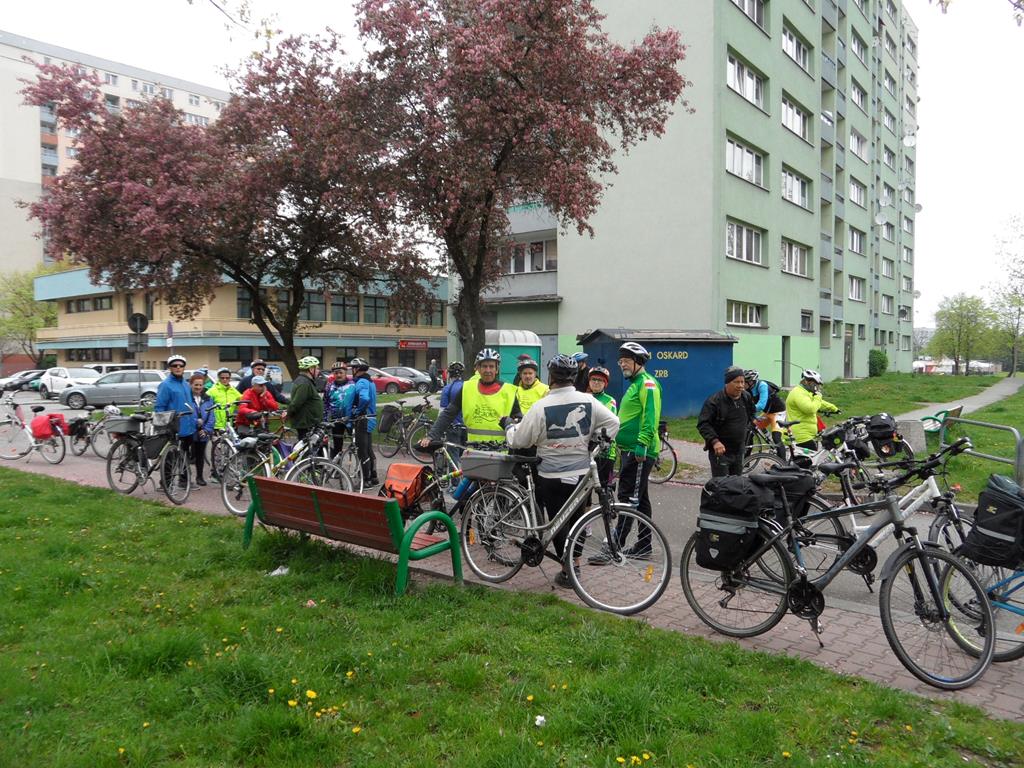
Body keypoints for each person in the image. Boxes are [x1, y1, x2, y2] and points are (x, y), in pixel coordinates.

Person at [505, 355, 619, 588]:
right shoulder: (588, 400)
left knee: (557, 523)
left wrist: (508, 426)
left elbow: (519, 440)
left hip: (551, 475)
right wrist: (595, 443)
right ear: (574, 377)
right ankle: (574, 564)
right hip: (581, 473)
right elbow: (613, 423)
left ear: (550, 377)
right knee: (578, 519)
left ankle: (568, 570)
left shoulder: (541, 405)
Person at [589, 342, 660, 563]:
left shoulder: (647, 384)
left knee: (628, 499)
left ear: (638, 362)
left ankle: (613, 547)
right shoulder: (635, 383)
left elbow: (651, 415)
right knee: (641, 500)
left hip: (639, 452)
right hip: (629, 450)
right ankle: (644, 545)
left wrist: (642, 442)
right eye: (620, 361)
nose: (622, 365)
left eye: (626, 361)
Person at [423, 348, 521, 447]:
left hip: (500, 451)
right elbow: (448, 414)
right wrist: (431, 436)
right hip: (473, 451)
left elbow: (520, 421)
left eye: (491, 366)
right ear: (478, 368)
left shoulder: (508, 391)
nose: (488, 370)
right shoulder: (467, 388)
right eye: (484, 366)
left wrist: (512, 423)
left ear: (497, 369)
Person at [697, 366, 756, 477]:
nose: (740, 385)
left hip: (739, 450)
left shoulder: (746, 397)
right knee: (722, 484)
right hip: (721, 452)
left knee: (736, 483)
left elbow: (752, 412)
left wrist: (751, 423)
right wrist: (715, 441)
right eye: (736, 382)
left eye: (742, 382)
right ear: (727, 383)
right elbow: (703, 424)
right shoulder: (714, 401)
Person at [785, 369, 840, 449]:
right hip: (802, 435)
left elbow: (817, 402)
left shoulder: (804, 392)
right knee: (813, 455)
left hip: (807, 434)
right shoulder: (798, 393)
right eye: (816, 385)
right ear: (808, 382)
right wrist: (818, 396)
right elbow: (810, 409)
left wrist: (833, 408)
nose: (817, 388)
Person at [346, 357, 378, 486]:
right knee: (368, 450)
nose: (352, 371)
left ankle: (366, 480)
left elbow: (364, 398)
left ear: (357, 369)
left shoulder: (362, 382)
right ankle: (374, 477)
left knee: (362, 451)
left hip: (363, 419)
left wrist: (357, 411)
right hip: (370, 418)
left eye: (353, 368)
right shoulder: (370, 381)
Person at [207, 367, 241, 481]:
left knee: (227, 450)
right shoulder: (212, 391)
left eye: (227, 378)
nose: (225, 380)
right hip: (216, 425)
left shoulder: (233, 390)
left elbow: (242, 400)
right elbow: (206, 406)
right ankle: (214, 474)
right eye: (222, 378)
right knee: (217, 451)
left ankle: (224, 472)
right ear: (218, 378)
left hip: (228, 425)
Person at [182, 373, 216, 486]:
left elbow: (211, 416)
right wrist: (196, 422)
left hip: (203, 431)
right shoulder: (186, 398)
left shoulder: (208, 398)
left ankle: (200, 477)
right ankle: (185, 478)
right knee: (185, 455)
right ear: (190, 385)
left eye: (200, 385)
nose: (198, 387)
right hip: (189, 430)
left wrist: (206, 430)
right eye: (196, 385)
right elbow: (186, 413)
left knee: (200, 455)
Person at [587, 366, 618, 490]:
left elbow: (607, 423)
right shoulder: (584, 398)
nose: (596, 382)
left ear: (605, 384)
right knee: (585, 490)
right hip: (586, 451)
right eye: (593, 379)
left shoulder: (610, 401)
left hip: (605, 452)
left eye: (600, 380)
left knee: (605, 489)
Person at [744, 368, 786, 457]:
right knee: (749, 431)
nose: (743, 384)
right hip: (767, 413)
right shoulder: (748, 389)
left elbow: (761, 405)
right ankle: (746, 460)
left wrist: (748, 410)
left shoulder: (762, 385)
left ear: (752, 382)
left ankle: (783, 462)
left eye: (745, 382)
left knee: (776, 437)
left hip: (778, 412)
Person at [285, 356, 324, 441]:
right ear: (311, 369)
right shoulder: (304, 383)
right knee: (305, 445)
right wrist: (288, 413)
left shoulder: (306, 381)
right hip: (306, 423)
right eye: (317, 368)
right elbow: (297, 402)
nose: (319, 371)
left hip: (308, 421)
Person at [323, 362, 353, 457]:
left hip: (351, 419)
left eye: (341, 372)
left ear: (345, 373)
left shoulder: (353, 385)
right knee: (337, 446)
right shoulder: (329, 386)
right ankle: (337, 463)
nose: (338, 375)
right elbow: (325, 403)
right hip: (336, 420)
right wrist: (324, 419)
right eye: (336, 373)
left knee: (356, 444)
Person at [438, 361, 467, 453]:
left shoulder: (447, 388)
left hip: (453, 426)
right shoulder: (468, 387)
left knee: (453, 454)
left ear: (449, 374)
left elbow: (443, 411)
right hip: (467, 426)